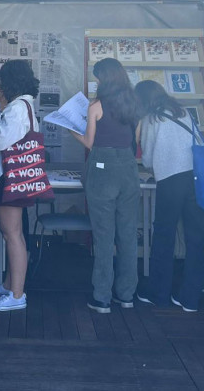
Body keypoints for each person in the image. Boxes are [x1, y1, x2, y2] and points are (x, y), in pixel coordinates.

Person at [70, 58, 141, 313]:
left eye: (98, 77)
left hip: (103, 168)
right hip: (128, 168)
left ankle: (102, 297)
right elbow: (135, 141)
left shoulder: (96, 106)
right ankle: (127, 295)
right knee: (127, 234)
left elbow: (89, 142)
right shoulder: (135, 104)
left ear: (104, 79)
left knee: (103, 235)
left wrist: (72, 131)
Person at [134, 79, 204, 313]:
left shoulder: (152, 118)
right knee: (195, 238)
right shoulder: (182, 112)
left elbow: (147, 159)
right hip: (196, 178)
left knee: (164, 235)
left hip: (171, 180)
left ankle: (159, 293)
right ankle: (190, 298)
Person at [0, 60, 40, 312]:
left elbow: (1, 140)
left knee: (12, 234)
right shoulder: (25, 104)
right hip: (16, 175)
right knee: (13, 234)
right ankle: (9, 285)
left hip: (10, 176)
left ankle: (16, 294)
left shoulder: (16, 108)